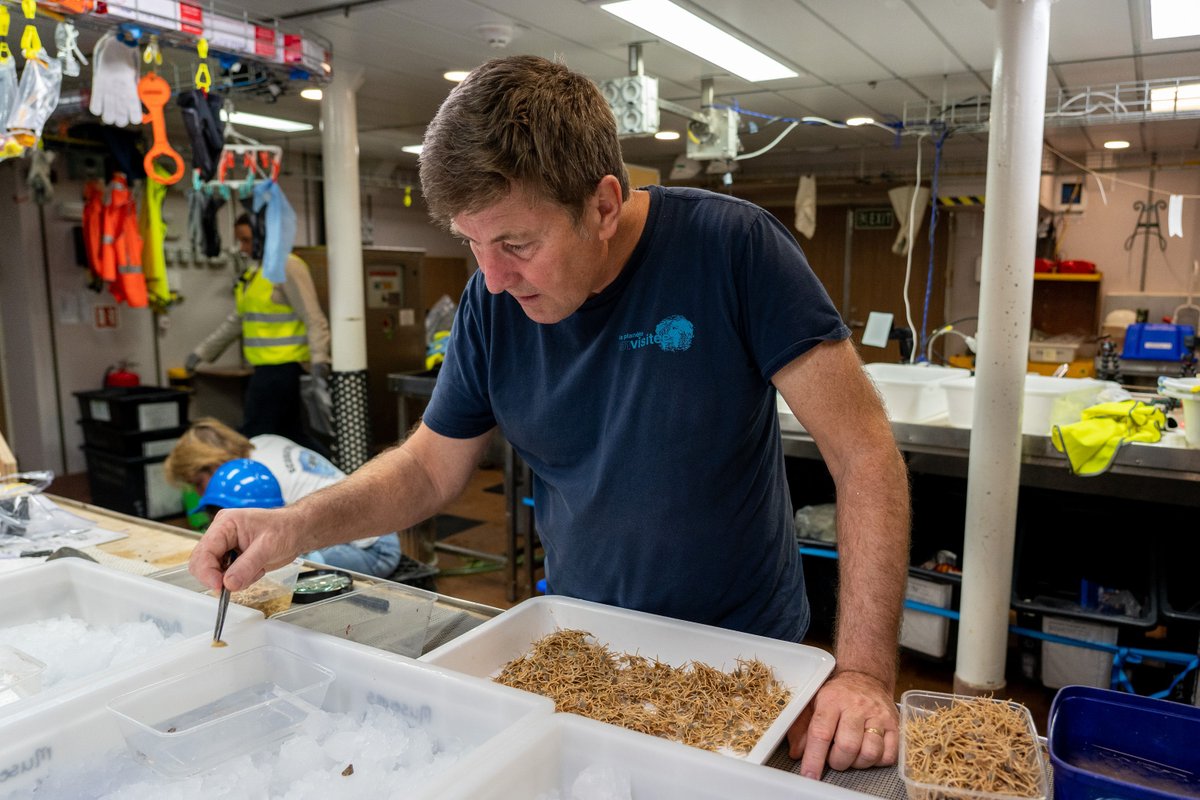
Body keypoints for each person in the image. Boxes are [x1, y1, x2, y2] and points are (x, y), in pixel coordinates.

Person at [189, 55, 909, 778]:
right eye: (473, 245)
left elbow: (864, 453)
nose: (493, 281)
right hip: (585, 652)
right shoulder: (489, 307)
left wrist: (865, 673)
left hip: (745, 661)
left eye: (516, 245)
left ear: (601, 204)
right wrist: (295, 524)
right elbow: (427, 469)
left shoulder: (733, 249)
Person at [166, 418, 402, 578]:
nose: (198, 493)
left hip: (373, 548)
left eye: (198, 483)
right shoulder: (263, 442)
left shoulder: (258, 481)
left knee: (283, 573)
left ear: (212, 463)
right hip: (373, 528)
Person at [186, 213, 331, 452]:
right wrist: (201, 352)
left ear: (265, 235)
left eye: (246, 240)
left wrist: (319, 362)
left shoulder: (287, 266)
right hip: (265, 369)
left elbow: (313, 316)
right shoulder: (255, 273)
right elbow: (237, 321)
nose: (241, 248)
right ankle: (333, 478)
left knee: (256, 435)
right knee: (290, 435)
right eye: (239, 241)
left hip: (284, 368)